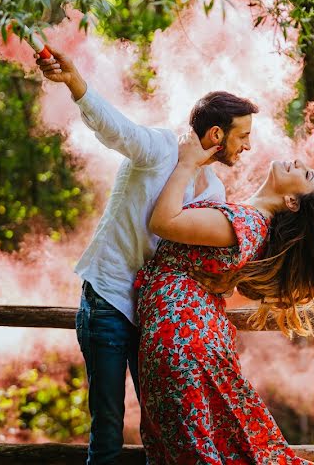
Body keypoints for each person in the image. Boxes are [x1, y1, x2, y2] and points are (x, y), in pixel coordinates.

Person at [35, 46, 258, 465]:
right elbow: (114, 129)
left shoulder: (214, 192)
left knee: (164, 425)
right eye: (242, 136)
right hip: (109, 301)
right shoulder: (157, 149)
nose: (247, 146)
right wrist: (75, 83)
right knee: (107, 430)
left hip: (158, 319)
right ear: (215, 135)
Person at [135, 131, 314, 465]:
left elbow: (163, 221)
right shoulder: (252, 225)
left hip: (182, 343)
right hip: (188, 340)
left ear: (292, 202)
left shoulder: (245, 223)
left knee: (200, 453)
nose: (299, 162)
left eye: (304, 175)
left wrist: (187, 163)